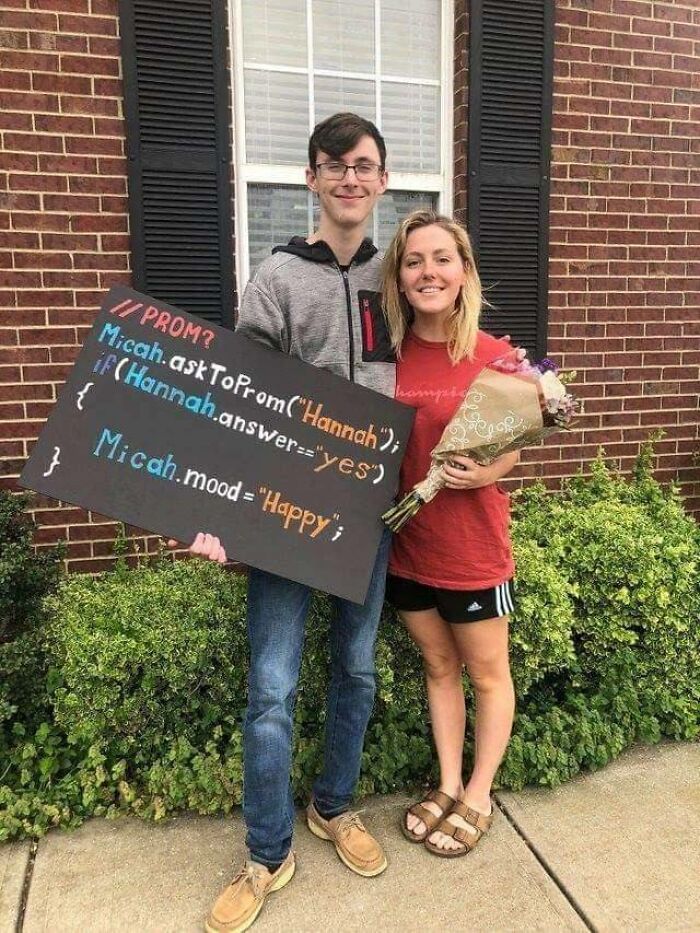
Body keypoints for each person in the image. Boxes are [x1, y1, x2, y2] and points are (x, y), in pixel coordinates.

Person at [175, 113, 397, 933]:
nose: (349, 178)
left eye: (364, 165)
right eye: (334, 165)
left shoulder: (399, 274)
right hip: (285, 514)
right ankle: (266, 853)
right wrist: (214, 512)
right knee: (271, 688)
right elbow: (240, 405)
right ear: (310, 177)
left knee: (360, 669)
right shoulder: (273, 277)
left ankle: (334, 805)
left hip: (372, 514)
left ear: (382, 180)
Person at [380, 209, 518, 858]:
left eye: (441, 258)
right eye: (414, 261)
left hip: (472, 550)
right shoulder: (385, 356)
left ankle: (479, 793)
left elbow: (513, 450)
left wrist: (482, 469)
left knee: (488, 674)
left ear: (463, 271)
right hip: (408, 549)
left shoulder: (494, 357)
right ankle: (447, 780)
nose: (427, 270)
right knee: (438, 666)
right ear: (400, 279)